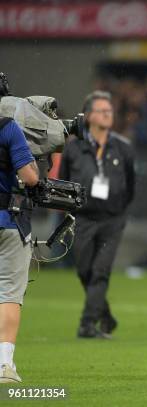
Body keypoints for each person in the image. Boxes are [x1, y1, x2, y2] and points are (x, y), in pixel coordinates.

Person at [60, 91, 135, 339]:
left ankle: (87, 324)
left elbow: (131, 185)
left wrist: (120, 209)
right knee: (84, 271)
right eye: (102, 111)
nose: (108, 115)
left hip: (112, 219)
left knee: (101, 270)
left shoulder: (122, 148)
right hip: (82, 218)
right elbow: (64, 181)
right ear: (89, 116)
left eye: (110, 111)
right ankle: (105, 315)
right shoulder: (73, 147)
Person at [0, 117, 39, 383]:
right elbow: (29, 177)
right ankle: (4, 366)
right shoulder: (7, 127)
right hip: (8, 220)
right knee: (9, 294)